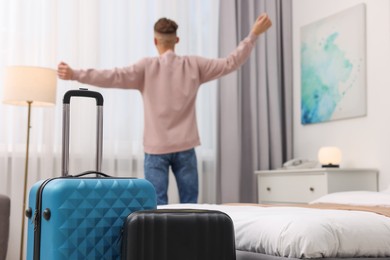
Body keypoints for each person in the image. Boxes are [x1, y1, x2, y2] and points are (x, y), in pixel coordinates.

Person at [57, 15, 272, 205]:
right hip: (186, 147)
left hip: (155, 149)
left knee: (156, 208)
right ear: (177, 40)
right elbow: (230, 63)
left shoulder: (146, 68)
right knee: (189, 207)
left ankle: (161, 251)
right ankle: (189, 249)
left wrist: (75, 74)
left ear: (155, 41)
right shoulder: (194, 65)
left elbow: (111, 76)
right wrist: (252, 35)